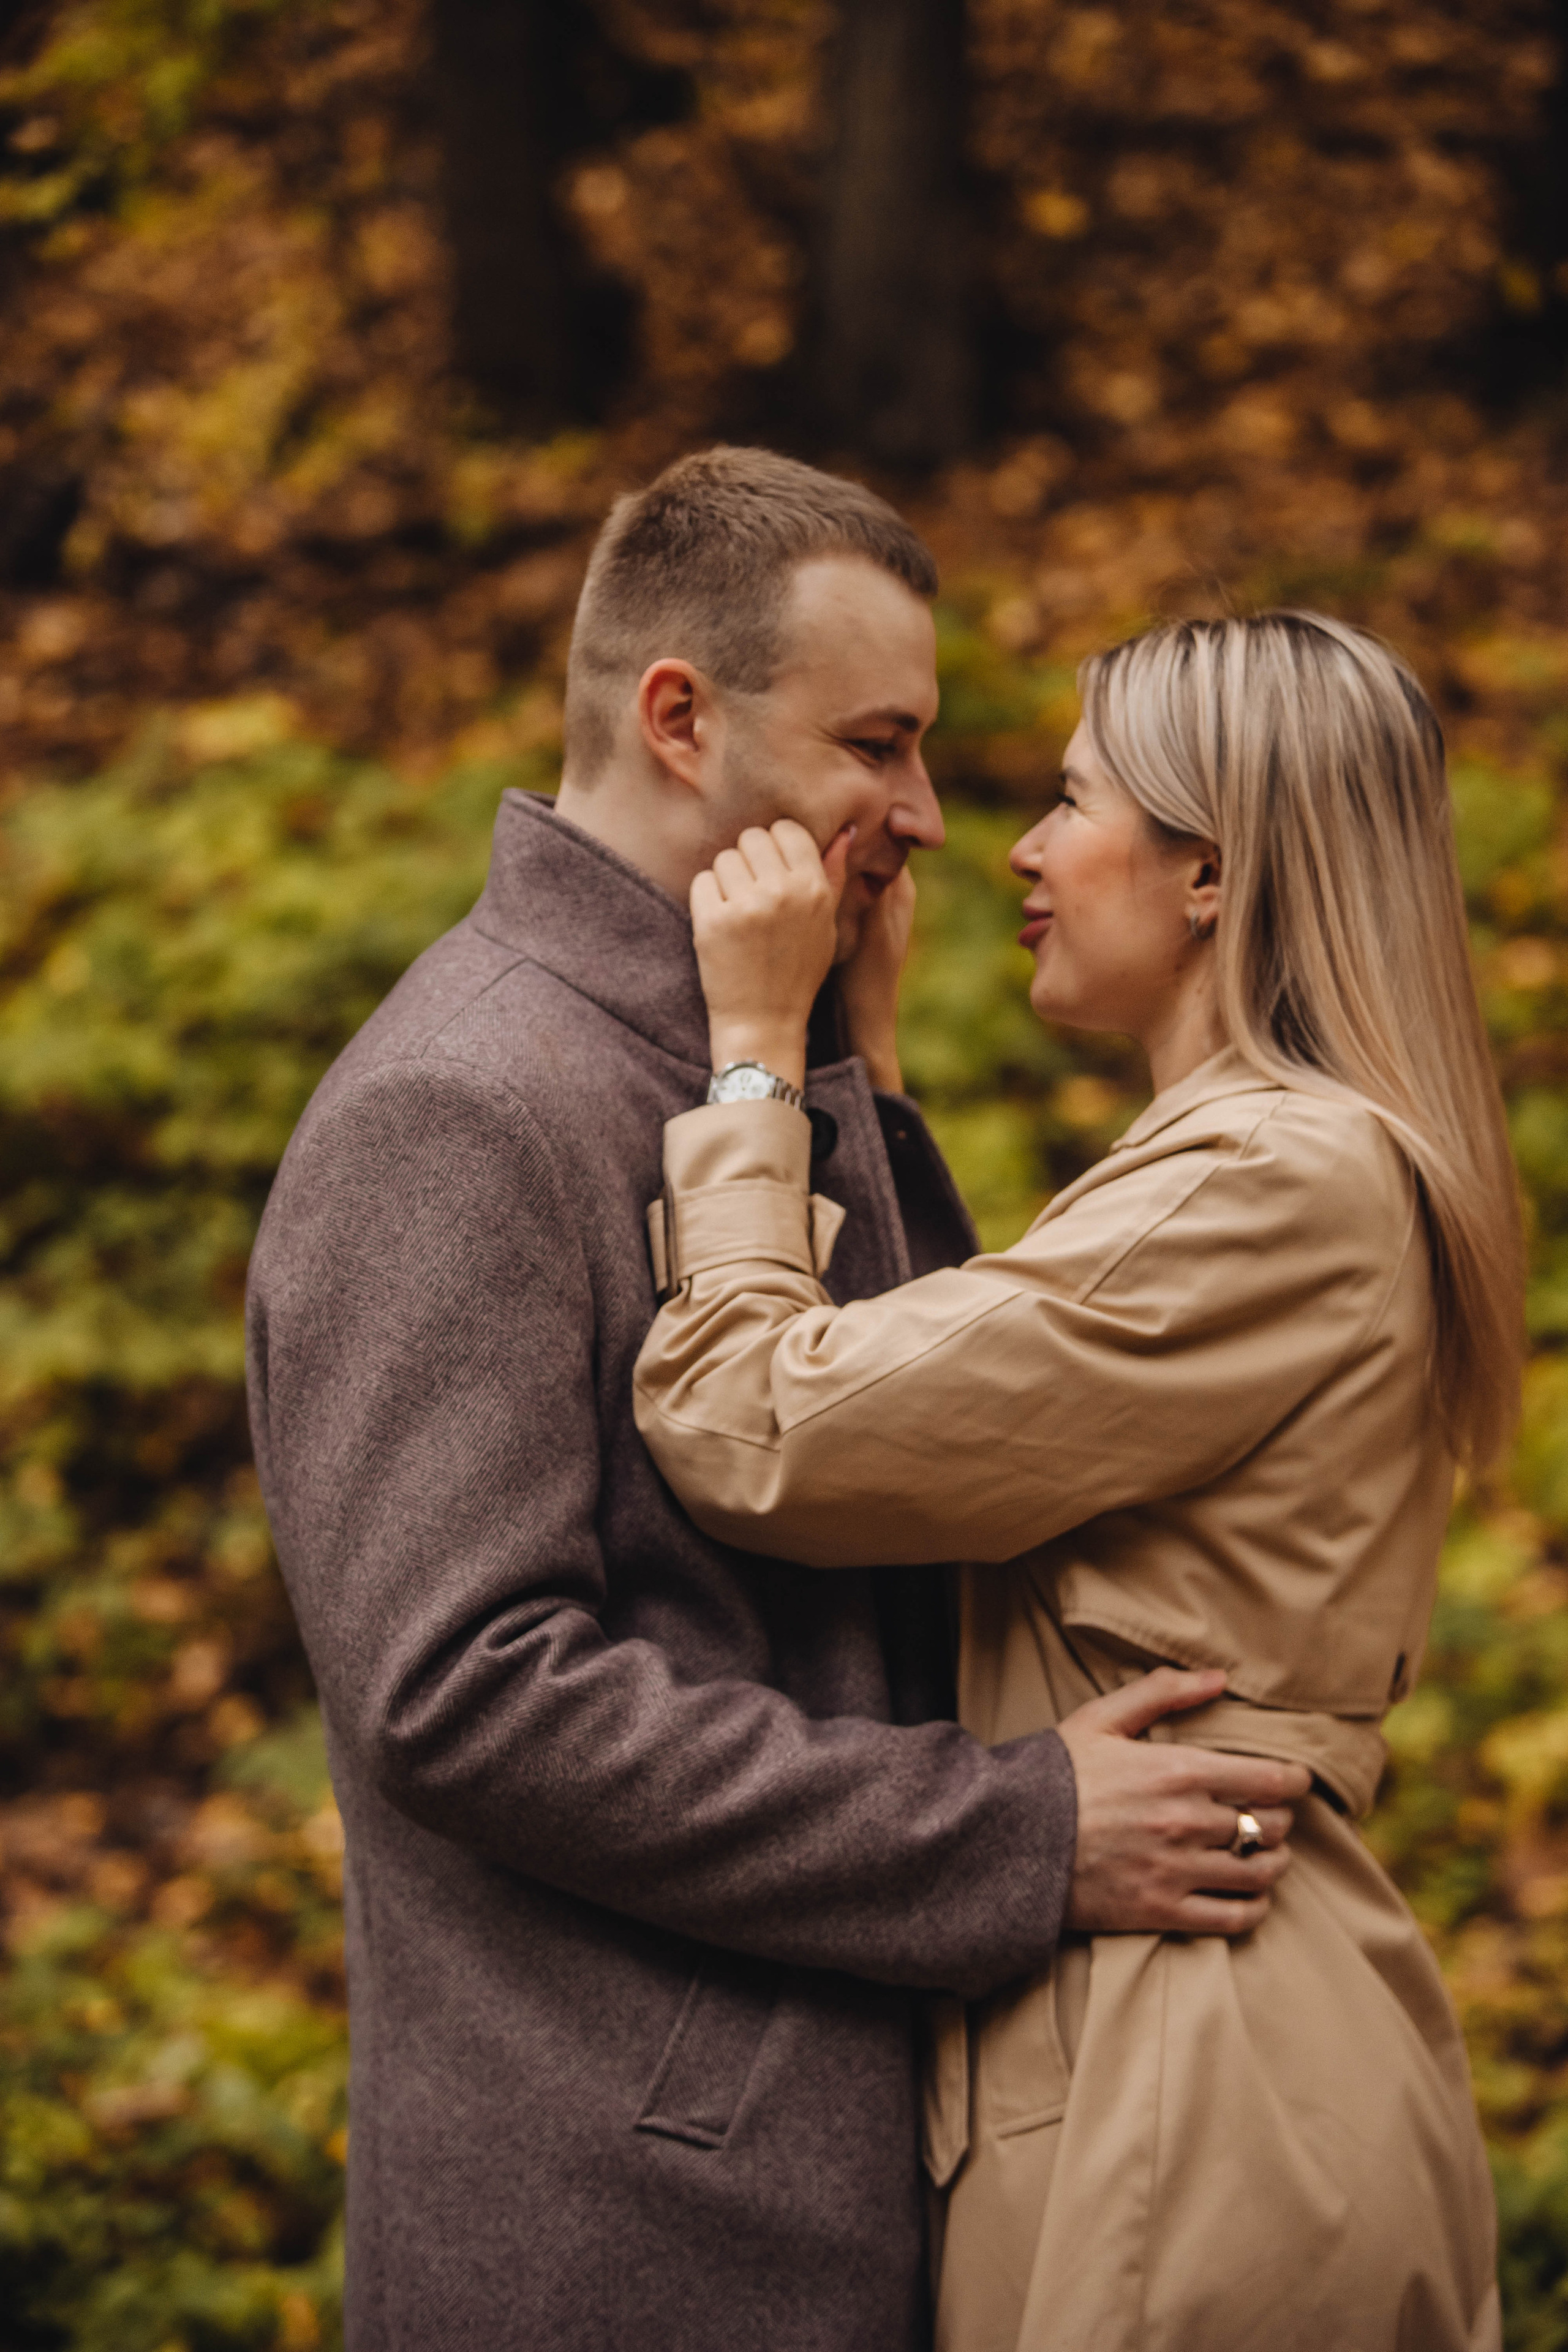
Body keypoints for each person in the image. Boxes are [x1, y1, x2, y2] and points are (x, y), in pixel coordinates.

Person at [245, 449, 1306, 2352]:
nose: (922, 810)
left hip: (844, 2181)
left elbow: (917, 1484)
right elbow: (463, 1690)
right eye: (877, 744)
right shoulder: (460, 1108)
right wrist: (1012, 1836)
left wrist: (862, 1091)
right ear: (679, 720)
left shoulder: (748, 1044)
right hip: (636, 2235)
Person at [633, 609, 1521, 2352]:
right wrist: (865, 1086)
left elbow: (760, 1426)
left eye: (1069, 796)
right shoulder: (1244, 1169)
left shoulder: (1273, 1181)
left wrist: (750, 1053)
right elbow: (967, 1427)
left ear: (1212, 871)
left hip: (1197, 2091)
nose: (1015, 847)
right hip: (1170, 2055)